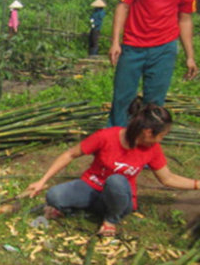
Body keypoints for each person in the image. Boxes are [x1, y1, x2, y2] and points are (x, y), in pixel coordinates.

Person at [26, 98, 200, 237]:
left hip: (120, 199)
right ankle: (81, 208)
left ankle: (111, 219)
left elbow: (167, 178)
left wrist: (197, 184)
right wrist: (42, 181)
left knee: (116, 181)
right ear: (148, 132)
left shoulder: (152, 149)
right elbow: (70, 154)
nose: (161, 140)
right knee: (54, 195)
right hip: (92, 188)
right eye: (161, 136)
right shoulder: (106, 137)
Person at [108, 0, 200, 127]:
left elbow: (185, 19)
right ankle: (116, 139)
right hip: (133, 47)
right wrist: (115, 42)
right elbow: (123, 6)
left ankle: (145, 144)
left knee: (155, 103)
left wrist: (190, 56)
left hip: (164, 49)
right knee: (122, 98)